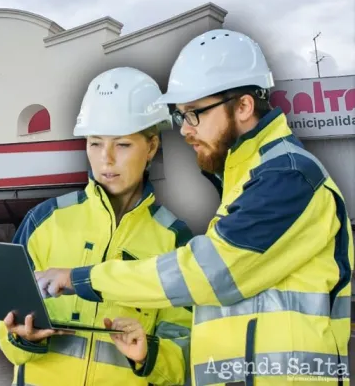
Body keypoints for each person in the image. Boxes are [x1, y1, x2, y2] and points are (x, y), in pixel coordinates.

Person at [35, 30, 354, 386]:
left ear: (244, 106)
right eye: (181, 116)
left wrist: (83, 278)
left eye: (194, 114)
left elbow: (210, 273)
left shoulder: (288, 177)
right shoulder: (247, 181)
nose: (185, 130)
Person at [0, 67, 194, 386]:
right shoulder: (44, 220)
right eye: (95, 143)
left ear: (152, 147)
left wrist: (148, 355)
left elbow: (184, 356)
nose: (106, 159)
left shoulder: (175, 241)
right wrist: (22, 336)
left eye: (123, 145)